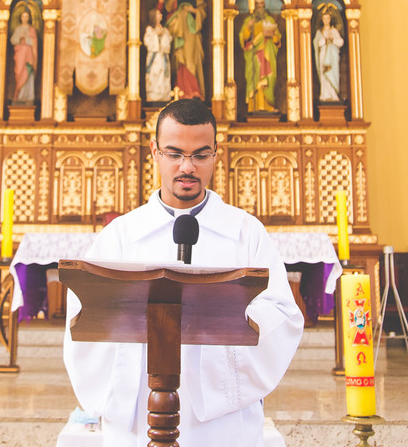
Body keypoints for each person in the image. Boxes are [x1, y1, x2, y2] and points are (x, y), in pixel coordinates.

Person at [63, 99, 304, 447]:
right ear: (154, 151)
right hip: (138, 415)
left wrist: (211, 324)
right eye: (174, 153)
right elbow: (82, 319)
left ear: (217, 153)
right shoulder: (121, 236)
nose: (186, 167)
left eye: (200, 155)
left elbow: (282, 317)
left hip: (221, 425)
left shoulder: (245, 233)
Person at [156, 0, 207, 99]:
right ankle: (178, 90)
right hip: (174, 31)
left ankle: (193, 91)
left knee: (190, 59)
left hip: (190, 32)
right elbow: (159, 16)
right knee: (177, 61)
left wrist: (193, 11)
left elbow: (202, 11)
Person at [239, 0, 281, 112]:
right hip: (254, 56)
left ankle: (269, 105)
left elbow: (277, 38)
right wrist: (249, 27)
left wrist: (273, 36)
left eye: (262, 3)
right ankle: (254, 106)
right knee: (254, 78)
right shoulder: (248, 21)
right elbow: (244, 39)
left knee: (269, 78)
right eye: (257, 4)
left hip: (267, 53)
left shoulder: (270, 21)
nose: (260, 6)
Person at [313, 8, 344, 102]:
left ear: (330, 19)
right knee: (324, 74)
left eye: (327, 18)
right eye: (324, 18)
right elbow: (317, 43)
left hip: (332, 57)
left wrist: (333, 40)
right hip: (323, 55)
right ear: (321, 20)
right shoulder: (320, 32)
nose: (326, 20)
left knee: (332, 73)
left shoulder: (334, 31)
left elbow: (341, 42)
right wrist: (325, 41)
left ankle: (333, 94)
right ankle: (325, 94)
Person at [143, 8, 172, 102]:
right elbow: (147, 42)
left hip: (163, 56)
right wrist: (156, 35)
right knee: (154, 74)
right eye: (158, 14)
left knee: (164, 74)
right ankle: (153, 95)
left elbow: (168, 40)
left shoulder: (165, 30)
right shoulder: (150, 30)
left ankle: (164, 95)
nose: (161, 15)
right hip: (154, 58)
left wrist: (163, 35)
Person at [10, 7, 38, 103]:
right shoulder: (18, 29)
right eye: (23, 16)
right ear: (21, 18)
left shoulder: (31, 29)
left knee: (28, 73)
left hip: (28, 55)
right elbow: (13, 40)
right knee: (19, 72)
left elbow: (34, 42)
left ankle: (27, 96)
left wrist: (26, 40)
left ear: (29, 18)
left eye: (26, 17)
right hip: (20, 54)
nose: (25, 18)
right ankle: (19, 96)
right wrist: (19, 39)